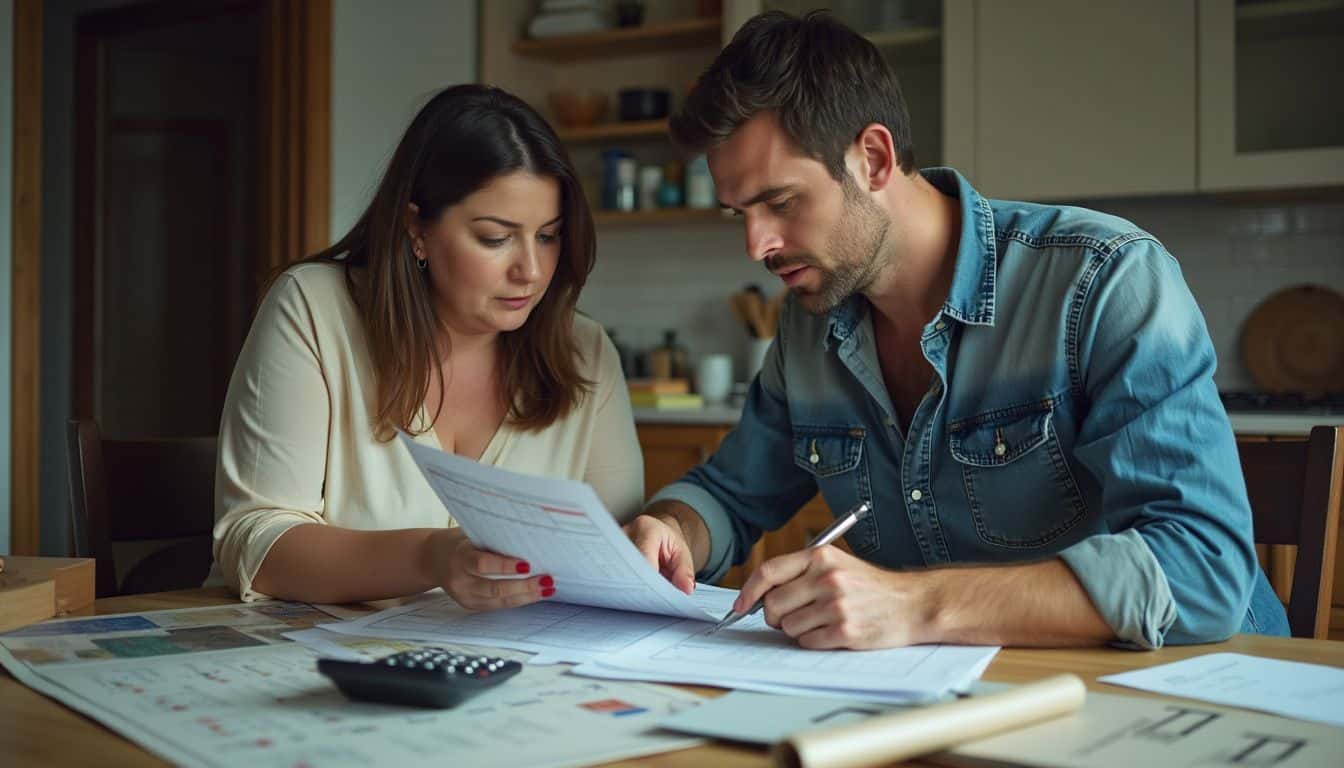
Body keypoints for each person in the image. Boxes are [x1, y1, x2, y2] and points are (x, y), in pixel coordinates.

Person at [623, 11, 1289, 650]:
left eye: (780, 202)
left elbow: (1202, 570)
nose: (756, 245)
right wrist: (673, 529)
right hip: (969, 694)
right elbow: (732, 495)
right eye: (738, 212)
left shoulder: (1104, 281)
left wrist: (914, 605)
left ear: (875, 159)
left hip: (1194, 691)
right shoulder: (809, 328)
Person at [213, 85, 643, 607]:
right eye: (494, 237)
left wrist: (653, 536)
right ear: (417, 228)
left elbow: (617, 553)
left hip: (516, 672)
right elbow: (255, 541)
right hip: (311, 663)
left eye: (548, 236)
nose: (531, 270)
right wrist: (431, 558)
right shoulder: (313, 308)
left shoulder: (585, 351)